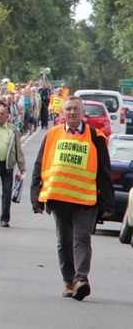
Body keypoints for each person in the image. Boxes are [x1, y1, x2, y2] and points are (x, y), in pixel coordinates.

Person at [30, 95, 114, 300]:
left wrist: (107, 203)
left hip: (86, 200)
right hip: (59, 199)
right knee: (64, 241)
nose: (72, 112)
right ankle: (68, 282)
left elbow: (104, 171)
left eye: (76, 109)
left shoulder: (96, 136)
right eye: (68, 109)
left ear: (83, 112)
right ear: (62, 113)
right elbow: (40, 166)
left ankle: (81, 279)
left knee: (82, 238)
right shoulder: (53, 135)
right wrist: (36, 197)